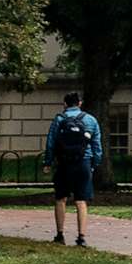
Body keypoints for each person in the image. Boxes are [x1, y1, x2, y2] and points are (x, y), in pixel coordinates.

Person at [45, 90, 102, 246]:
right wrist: (95, 163)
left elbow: (51, 142)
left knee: (60, 198)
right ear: (80, 103)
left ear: (64, 104)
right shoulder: (90, 120)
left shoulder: (59, 119)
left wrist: (48, 162)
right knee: (81, 200)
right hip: (84, 162)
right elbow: (97, 145)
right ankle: (81, 237)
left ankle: (60, 235)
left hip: (64, 163)